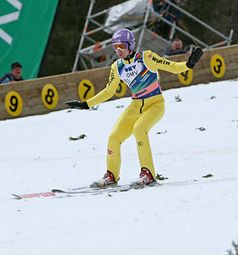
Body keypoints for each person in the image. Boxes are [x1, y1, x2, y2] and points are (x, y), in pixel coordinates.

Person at [66, 28, 203, 188]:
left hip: (155, 105)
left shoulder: (147, 57)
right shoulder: (116, 67)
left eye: (122, 46)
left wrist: (188, 64)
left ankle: (148, 173)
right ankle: (111, 174)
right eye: (115, 47)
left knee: (139, 129)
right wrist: (86, 104)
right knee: (114, 138)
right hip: (135, 106)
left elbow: (171, 66)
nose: (118, 51)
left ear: (131, 45)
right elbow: (109, 91)